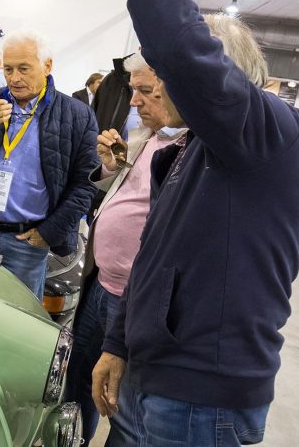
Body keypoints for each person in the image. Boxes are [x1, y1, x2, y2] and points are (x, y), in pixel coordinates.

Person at [85, 0, 299, 446]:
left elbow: (180, 45)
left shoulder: (274, 135)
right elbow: (154, 255)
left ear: (219, 80)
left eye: (165, 81)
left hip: (201, 399)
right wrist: (119, 343)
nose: (150, 95)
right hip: (155, 375)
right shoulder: (192, 149)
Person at [64, 52, 185, 444]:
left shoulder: (192, 151)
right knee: (79, 383)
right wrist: (111, 166)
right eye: (133, 91)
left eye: (145, 91)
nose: (134, 102)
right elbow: (126, 193)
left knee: (123, 405)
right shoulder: (150, 135)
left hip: (135, 299)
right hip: (101, 283)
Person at [0, 29, 99, 297]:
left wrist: (50, 232)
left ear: (47, 65)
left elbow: (86, 183)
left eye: (24, 69)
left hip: (27, 244)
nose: (14, 78)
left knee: (16, 315)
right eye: (8, 69)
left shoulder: (76, 116)